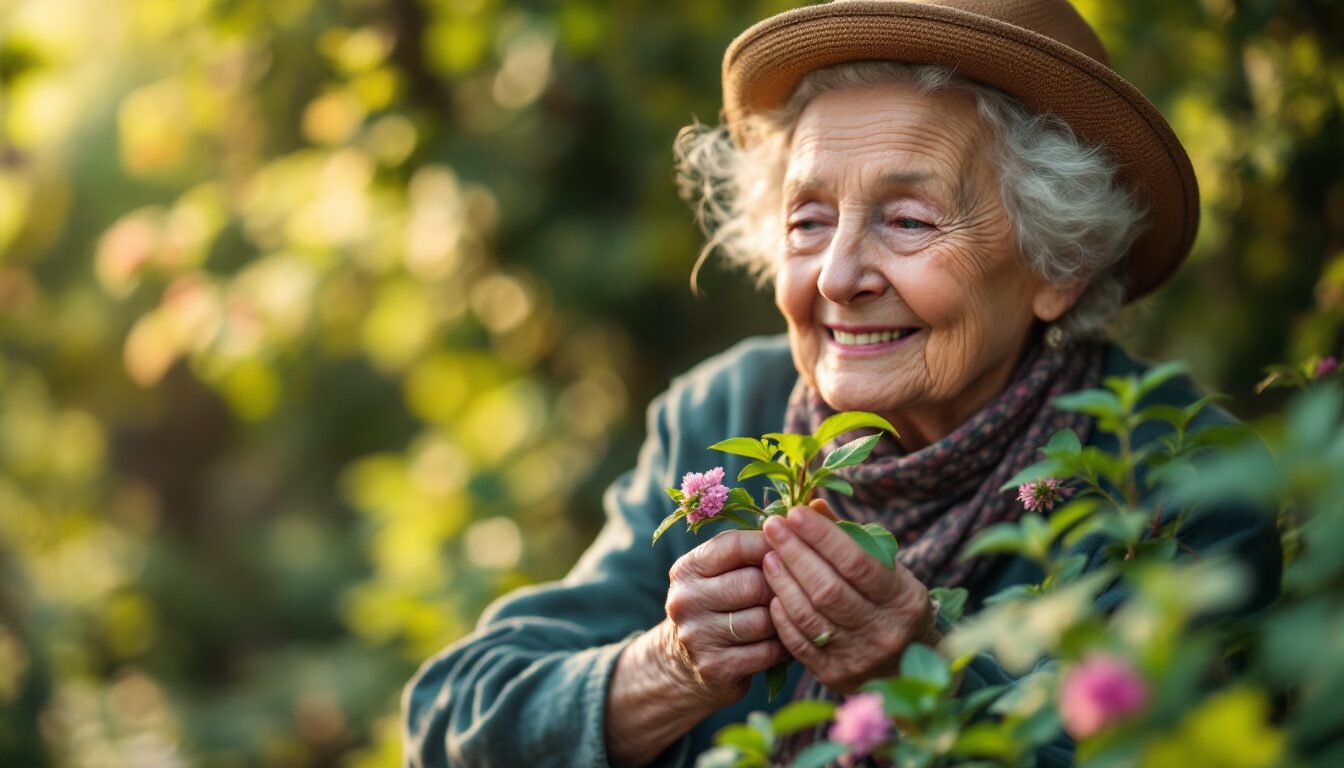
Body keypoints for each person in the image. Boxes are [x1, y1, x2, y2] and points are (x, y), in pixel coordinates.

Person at [402, 1, 1281, 765]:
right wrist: (670, 667)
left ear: (1063, 264)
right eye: (809, 219)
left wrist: (920, 675)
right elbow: (452, 718)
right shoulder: (726, 415)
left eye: (907, 219)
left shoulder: (1184, 477)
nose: (834, 276)